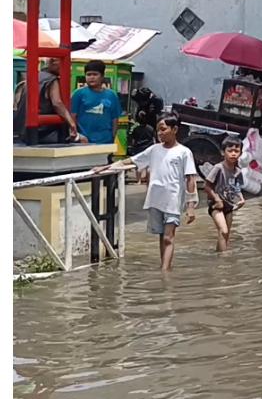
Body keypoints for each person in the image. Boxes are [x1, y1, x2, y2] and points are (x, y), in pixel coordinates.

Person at [93, 112, 197, 271]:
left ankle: (165, 273)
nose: (160, 133)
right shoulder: (154, 150)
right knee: (162, 236)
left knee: (169, 237)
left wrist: (190, 206)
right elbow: (131, 161)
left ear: (174, 129)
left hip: (173, 201)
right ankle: (165, 266)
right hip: (155, 199)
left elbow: (190, 179)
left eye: (163, 129)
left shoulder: (184, 152)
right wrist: (105, 167)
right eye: (158, 130)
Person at [13, 57, 79, 144]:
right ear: (53, 62)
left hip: (21, 129)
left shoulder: (33, 77)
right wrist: (71, 122)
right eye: (67, 64)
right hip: (42, 130)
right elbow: (57, 103)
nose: (69, 68)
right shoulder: (51, 79)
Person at [204, 135, 246, 252]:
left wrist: (241, 199)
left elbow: (237, 188)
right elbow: (206, 186)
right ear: (223, 152)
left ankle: (220, 256)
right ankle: (223, 259)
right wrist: (217, 199)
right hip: (216, 205)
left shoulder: (238, 171)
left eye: (236, 151)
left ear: (240, 153)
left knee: (226, 235)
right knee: (223, 231)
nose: (233, 154)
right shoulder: (218, 168)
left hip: (229, 205)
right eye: (230, 151)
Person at [71, 60, 123, 145]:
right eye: (88, 74)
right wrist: (77, 136)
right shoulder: (78, 94)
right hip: (84, 141)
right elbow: (72, 117)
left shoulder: (112, 95)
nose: (91, 77)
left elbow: (115, 119)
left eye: (95, 74)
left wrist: (112, 137)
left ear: (102, 76)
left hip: (106, 140)